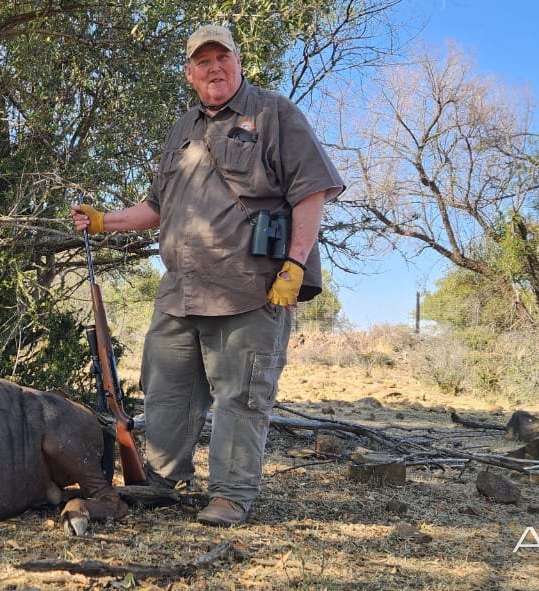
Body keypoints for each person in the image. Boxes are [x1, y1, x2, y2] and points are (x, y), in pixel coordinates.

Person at [71, 24, 345, 526]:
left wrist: (296, 262)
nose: (213, 68)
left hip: (249, 288)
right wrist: (102, 221)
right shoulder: (183, 128)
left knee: (241, 394)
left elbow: (311, 191)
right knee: (166, 390)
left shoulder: (275, 114)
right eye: (202, 61)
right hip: (180, 291)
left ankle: (231, 496)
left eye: (222, 58)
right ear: (189, 73)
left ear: (238, 62)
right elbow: (156, 207)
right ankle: (163, 482)